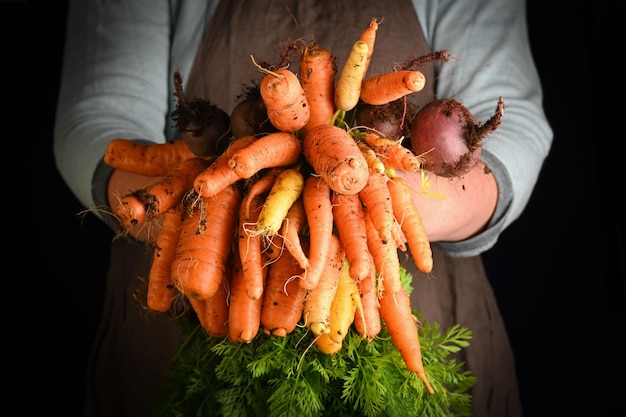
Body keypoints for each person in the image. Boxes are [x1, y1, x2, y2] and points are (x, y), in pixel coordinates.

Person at [54, 1, 553, 416]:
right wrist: (218, 207)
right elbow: (96, 121)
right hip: (193, 297)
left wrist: (369, 206)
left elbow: (518, 132)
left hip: (417, 294)